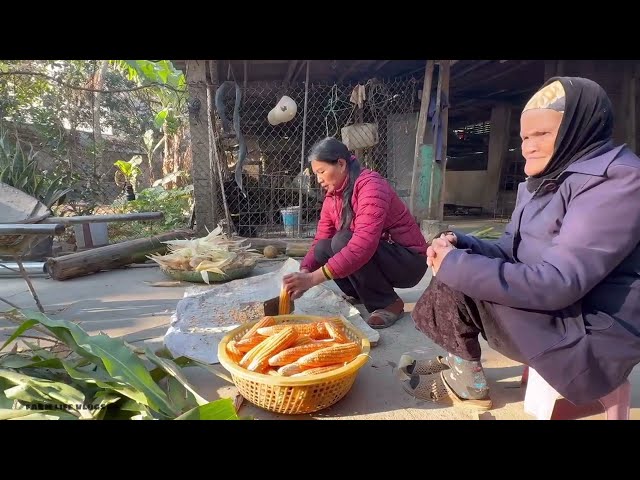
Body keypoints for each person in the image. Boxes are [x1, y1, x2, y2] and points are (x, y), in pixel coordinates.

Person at [401, 76, 640, 411]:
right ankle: (464, 364)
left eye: (542, 134)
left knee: (457, 279)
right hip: (558, 309)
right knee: (456, 268)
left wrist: (456, 264)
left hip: (590, 330)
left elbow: (560, 282)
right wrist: (461, 243)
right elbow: (511, 252)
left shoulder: (617, 180)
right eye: (525, 136)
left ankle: (468, 380)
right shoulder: (544, 180)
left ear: (579, 129)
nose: (528, 145)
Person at [283, 137, 428, 329]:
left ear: (341, 164)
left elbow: (363, 244)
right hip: (382, 255)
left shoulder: (371, 186)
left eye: (321, 172)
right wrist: (304, 271)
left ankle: (388, 303)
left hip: (408, 262)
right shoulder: (332, 197)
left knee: (343, 241)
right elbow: (321, 239)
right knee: (322, 248)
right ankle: (360, 293)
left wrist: (312, 280)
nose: (318, 180)